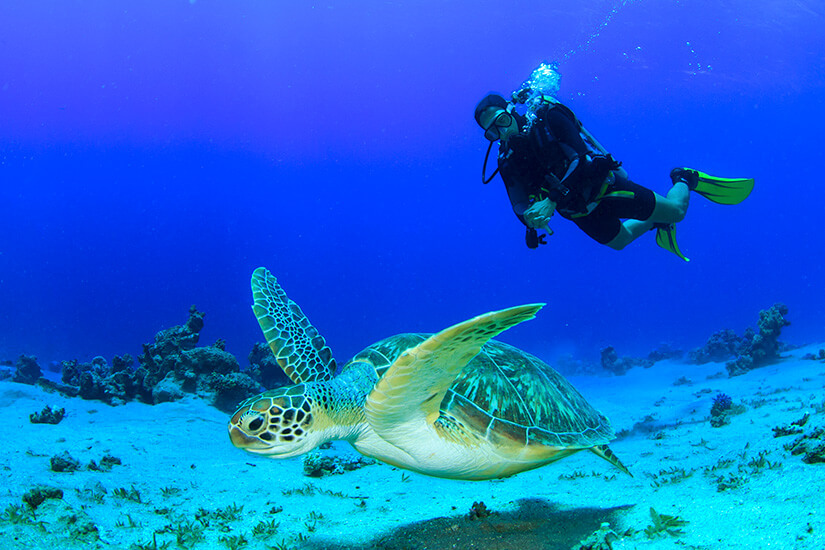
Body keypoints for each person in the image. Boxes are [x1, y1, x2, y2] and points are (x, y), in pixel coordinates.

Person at [473, 91, 753, 260]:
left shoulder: (547, 118)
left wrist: (551, 200)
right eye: (492, 132)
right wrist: (529, 220)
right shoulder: (507, 160)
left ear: (512, 111)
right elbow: (518, 200)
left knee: (678, 212)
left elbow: (580, 157)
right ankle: (656, 220)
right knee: (621, 242)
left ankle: (684, 178)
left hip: (605, 188)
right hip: (578, 210)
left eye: (502, 121)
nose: (502, 132)